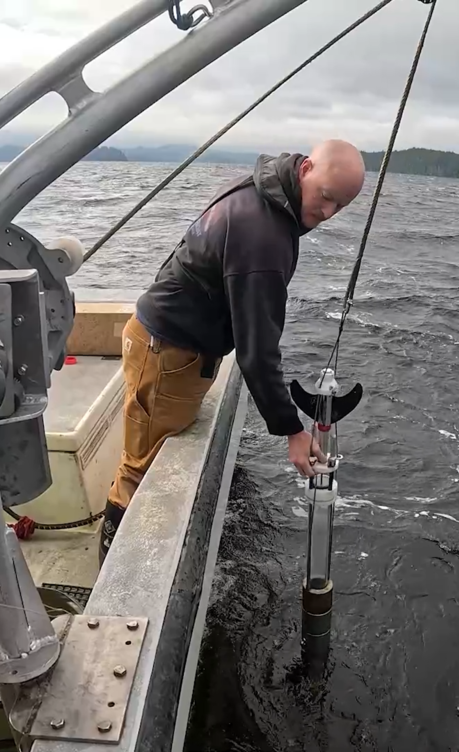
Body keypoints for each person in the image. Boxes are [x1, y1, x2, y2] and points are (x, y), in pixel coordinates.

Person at [99, 139, 367, 563]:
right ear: (306, 169)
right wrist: (292, 432)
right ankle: (116, 577)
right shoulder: (264, 235)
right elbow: (257, 353)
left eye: (342, 207)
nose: (328, 214)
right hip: (168, 353)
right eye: (326, 198)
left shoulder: (258, 188)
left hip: (164, 343)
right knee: (139, 471)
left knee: (142, 456)